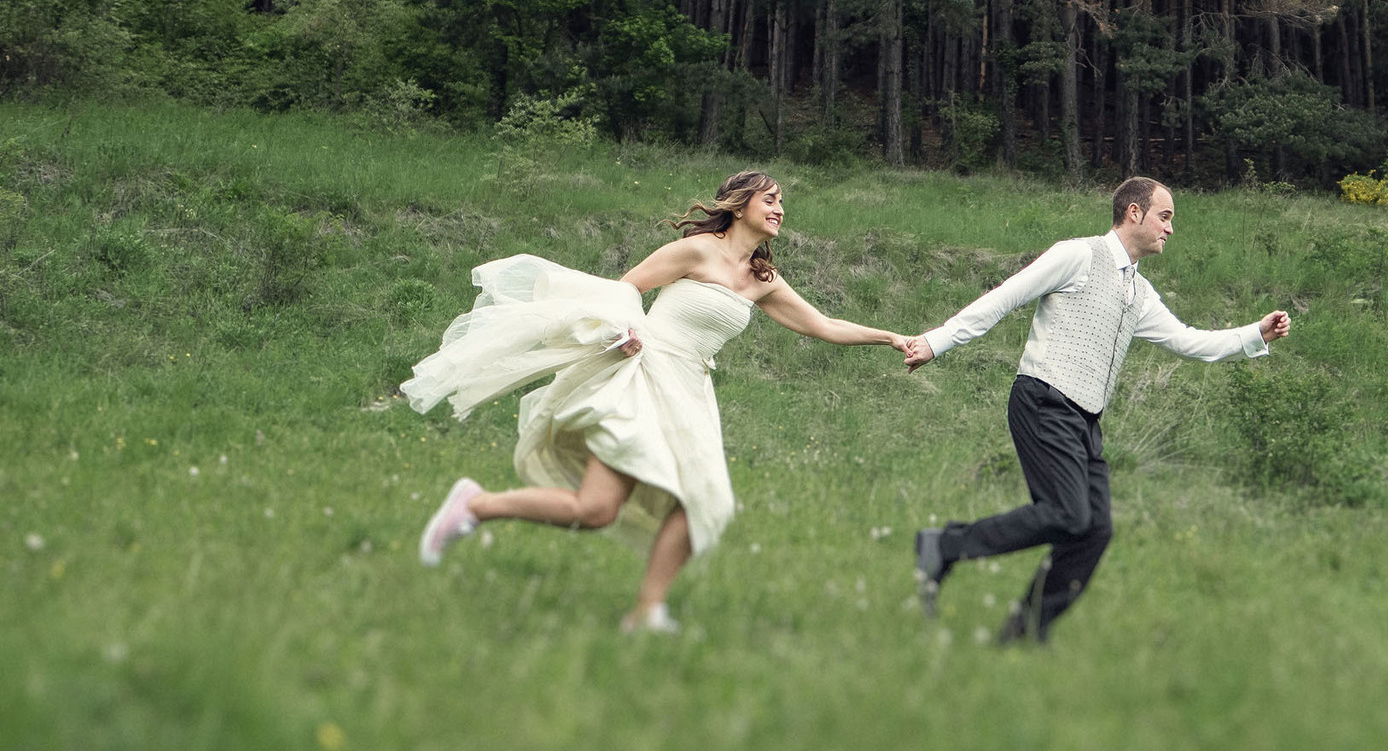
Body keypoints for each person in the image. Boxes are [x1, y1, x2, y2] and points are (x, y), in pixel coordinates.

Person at [404, 170, 906, 633]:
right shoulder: (697, 251)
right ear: (739, 205)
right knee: (599, 509)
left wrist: (892, 338)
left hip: (690, 390)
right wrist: (623, 332)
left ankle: (646, 610)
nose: (779, 210)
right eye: (770, 200)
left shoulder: (760, 279)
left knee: (695, 503)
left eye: (782, 204)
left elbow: (824, 325)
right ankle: (475, 505)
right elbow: (627, 288)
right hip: (644, 374)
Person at [902, 176, 1289, 642]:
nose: (1170, 229)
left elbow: (1190, 341)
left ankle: (1023, 634)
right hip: (1043, 400)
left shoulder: (1139, 293)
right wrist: (935, 341)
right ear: (1133, 213)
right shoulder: (1078, 255)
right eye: (1164, 217)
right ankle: (944, 545)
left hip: (1084, 420)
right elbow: (1003, 298)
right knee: (1066, 514)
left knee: (1095, 529)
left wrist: (1255, 334)